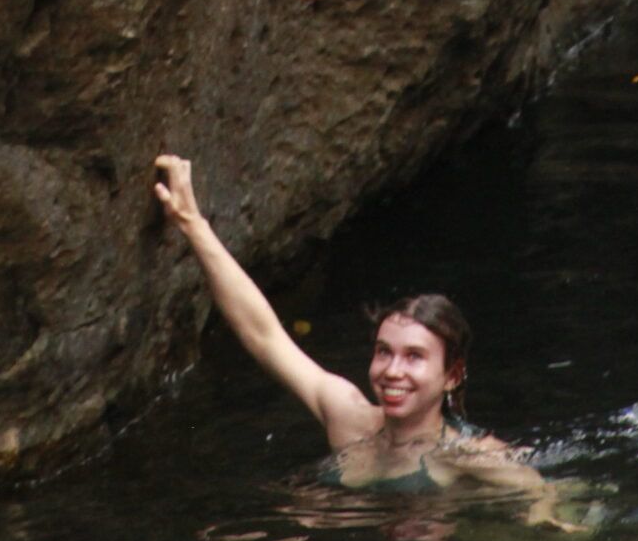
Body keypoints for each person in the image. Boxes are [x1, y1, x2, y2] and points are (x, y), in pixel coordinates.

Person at [153, 152, 551, 500]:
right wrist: (192, 223)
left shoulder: (469, 455)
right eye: (384, 352)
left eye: (414, 357)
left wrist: (546, 516)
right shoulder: (348, 415)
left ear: (452, 375)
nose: (393, 371)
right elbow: (265, 336)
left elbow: (542, 494)